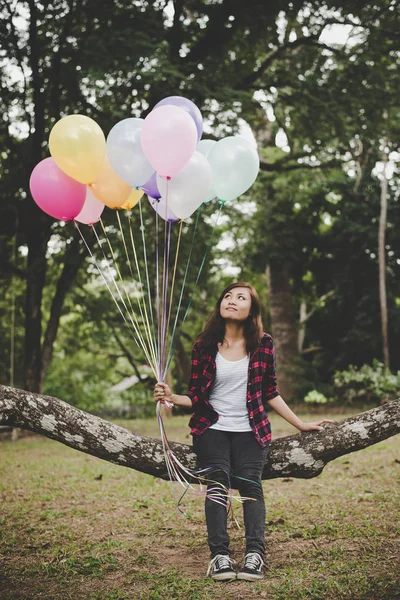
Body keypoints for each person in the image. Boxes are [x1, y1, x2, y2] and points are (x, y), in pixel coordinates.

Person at [154, 282, 333, 582]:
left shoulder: (263, 343)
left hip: (251, 428)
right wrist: (170, 396)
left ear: (252, 310)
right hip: (211, 427)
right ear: (220, 305)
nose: (232, 301)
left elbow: (270, 392)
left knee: (251, 484)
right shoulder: (204, 344)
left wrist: (301, 424)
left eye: (241, 297)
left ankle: (255, 555)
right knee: (218, 481)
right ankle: (220, 556)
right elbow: (196, 397)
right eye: (227, 296)